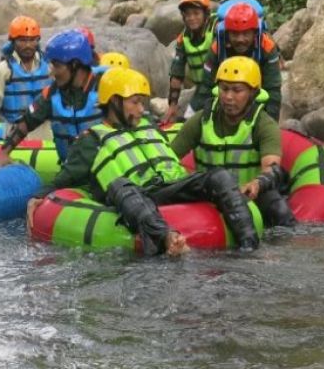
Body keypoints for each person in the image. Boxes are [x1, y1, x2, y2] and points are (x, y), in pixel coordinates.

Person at [28, 67, 259, 255]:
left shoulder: (149, 128)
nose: (141, 109)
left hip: (172, 185)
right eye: (135, 102)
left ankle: (250, 247)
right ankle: (168, 238)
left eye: (142, 103)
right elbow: (63, 179)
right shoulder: (91, 141)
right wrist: (38, 197)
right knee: (119, 183)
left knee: (219, 175)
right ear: (114, 102)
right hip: (139, 195)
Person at [170, 56, 296, 228]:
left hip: (250, 197)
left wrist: (256, 183)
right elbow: (169, 156)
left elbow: (272, 168)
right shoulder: (201, 120)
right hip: (210, 198)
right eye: (224, 89)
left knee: (278, 207)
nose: (228, 97)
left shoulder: (264, 124)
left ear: (252, 92)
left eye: (237, 90)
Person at [0, 28, 102, 165]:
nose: (51, 73)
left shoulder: (104, 86)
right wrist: (4, 152)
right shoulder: (52, 94)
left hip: (106, 171)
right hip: (71, 170)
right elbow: (26, 123)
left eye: (57, 66)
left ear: (74, 65)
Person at [194, 1, 283, 120]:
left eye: (246, 33)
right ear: (227, 34)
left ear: (254, 33)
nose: (240, 39)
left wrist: (271, 122)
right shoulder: (217, 48)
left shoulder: (267, 47)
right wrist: (202, 118)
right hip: (225, 99)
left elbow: (273, 90)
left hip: (256, 96)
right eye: (235, 34)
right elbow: (206, 86)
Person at [0, 16, 51, 139]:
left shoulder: (49, 66)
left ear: (37, 41)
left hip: (45, 131)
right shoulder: (4, 69)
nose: (28, 45)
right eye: (22, 40)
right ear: (13, 42)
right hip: (15, 132)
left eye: (32, 40)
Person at [162, 0, 215, 125]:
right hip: (201, 89)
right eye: (188, 15)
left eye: (196, 13)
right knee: (188, 122)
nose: (191, 18)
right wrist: (173, 105)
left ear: (206, 14)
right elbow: (176, 74)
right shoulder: (183, 39)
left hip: (223, 88)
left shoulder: (217, 30)